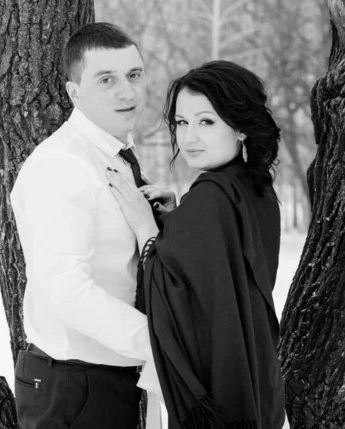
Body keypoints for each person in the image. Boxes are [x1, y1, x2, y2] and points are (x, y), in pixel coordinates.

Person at [106, 60, 290, 429]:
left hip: (219, 387)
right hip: (256, 378)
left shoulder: (210, 198)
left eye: (206, 122)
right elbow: (217, 276)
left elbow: (175, 293)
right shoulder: (255, 188)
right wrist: (179, 220)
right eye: (182, 122)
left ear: (239, 127)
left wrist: (146, 226)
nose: (189, 137)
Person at [10, 22, 168, 429]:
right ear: (74, 93)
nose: (126, 92)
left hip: (119, 376)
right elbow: (65, 289)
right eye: (106, 79)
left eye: (134, 75)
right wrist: (160, 339)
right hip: (75, 387)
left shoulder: (115, 156)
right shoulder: (62, 165)